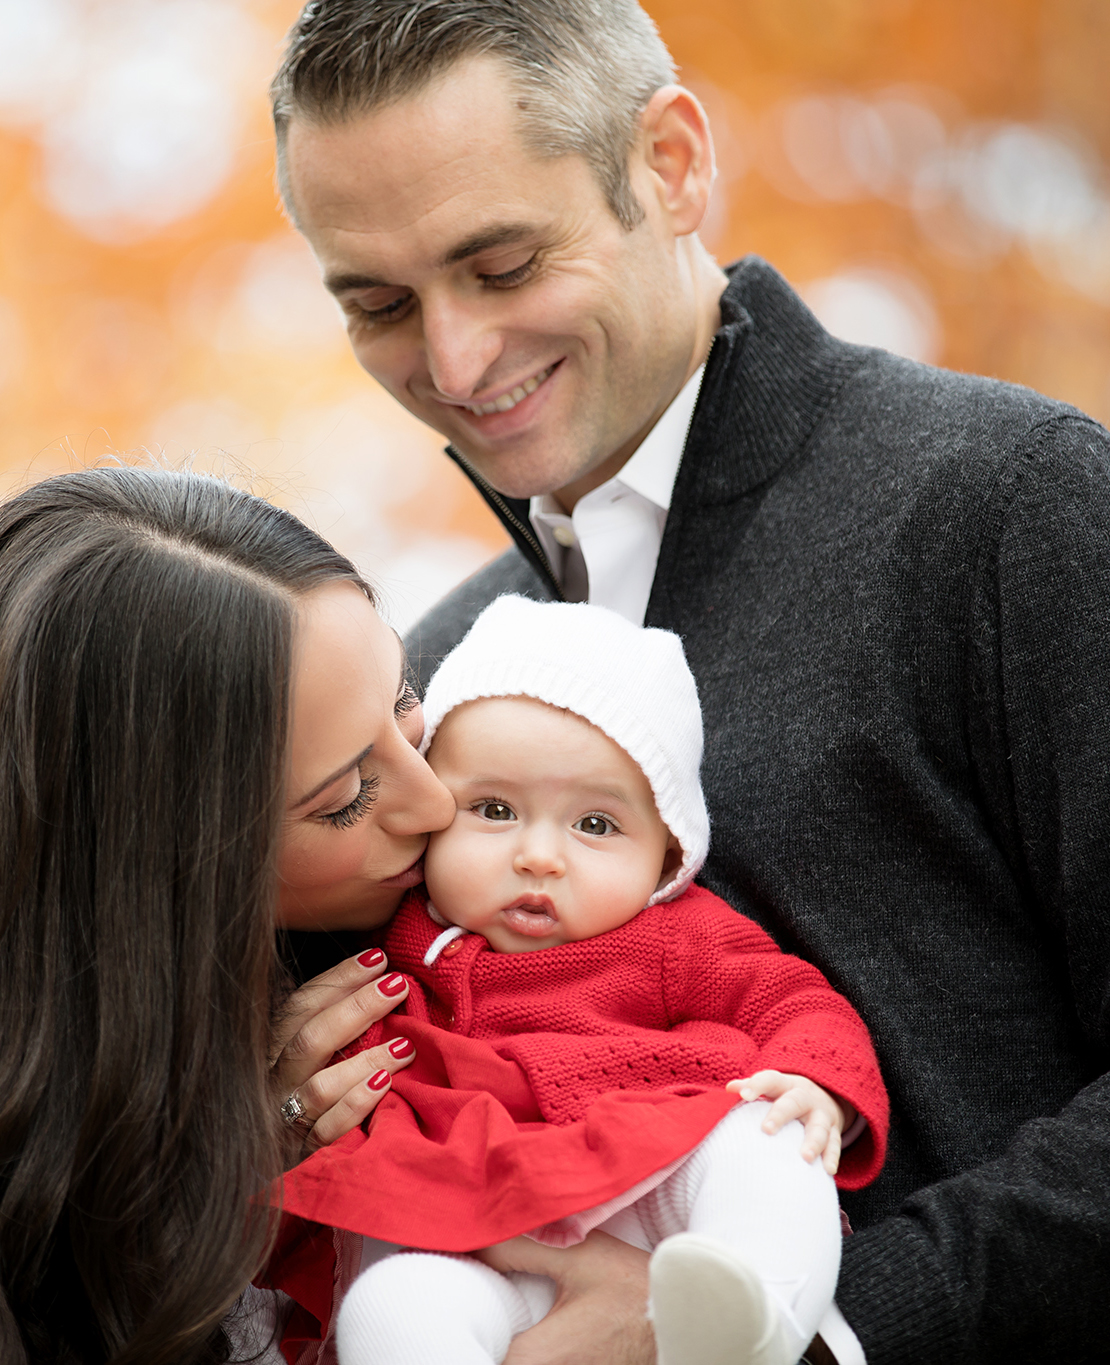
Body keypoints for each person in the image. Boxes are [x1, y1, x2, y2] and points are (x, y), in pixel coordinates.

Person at [269, 3, 1110, 1363]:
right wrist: (288, 1100)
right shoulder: (425, 676)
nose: (454, 362)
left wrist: (825, 1332)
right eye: (377, 303)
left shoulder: (1005, 510)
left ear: (667, 165)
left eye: (500, 263)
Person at [0, 469, 448, 1365]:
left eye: (402, 697)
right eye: (345, 796)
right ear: (150, 854)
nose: (435, 801)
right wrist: (229, 1197)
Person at [275, 596, 889, 1365]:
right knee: (390, 1306)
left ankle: (753, 1316)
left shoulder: (677, 933)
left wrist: (815, 1079)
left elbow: (792, 999)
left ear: (667, 854)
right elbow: (324, 1124)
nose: (539, 854)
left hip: (665, 1183)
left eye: (594, 824)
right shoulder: (392, 945)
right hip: (487, 1235)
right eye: (494, 809)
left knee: (766, 1138)